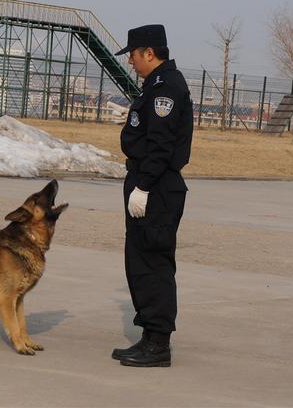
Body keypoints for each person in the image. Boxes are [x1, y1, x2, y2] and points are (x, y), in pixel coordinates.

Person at [112, 24, 194, 367]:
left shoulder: (166, 88)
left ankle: (158, 343)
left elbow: (161, 146)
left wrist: (143, 186)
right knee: (141, 261)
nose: (130, 61)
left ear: (149, 52)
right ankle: (149, 336)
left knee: (154, 263)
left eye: (132, 54)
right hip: (148, 181)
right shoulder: (156, 85)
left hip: (156, 187)